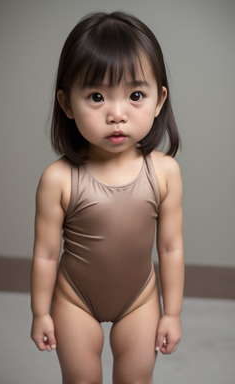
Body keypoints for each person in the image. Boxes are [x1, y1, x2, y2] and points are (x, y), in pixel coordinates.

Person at [30, 11, 184, 384]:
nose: (117, 114)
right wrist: (40, 312)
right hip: (74, 298)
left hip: (140, 299)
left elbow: (170, 249)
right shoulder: (59, 178)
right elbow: (47, 253)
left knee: (136, 378)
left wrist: (172, 313)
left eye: (135, 95)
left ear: (159, 99)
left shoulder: (163, 172)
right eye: (97, 96)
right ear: (67, 104)